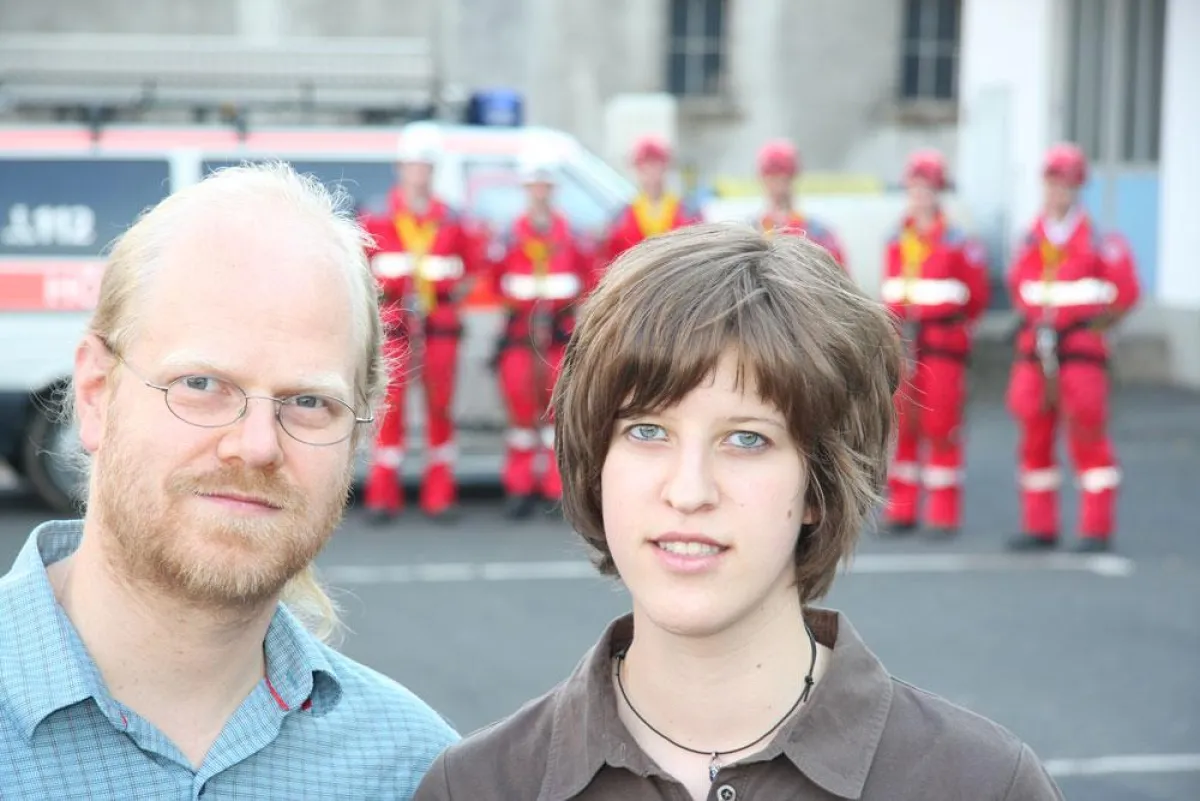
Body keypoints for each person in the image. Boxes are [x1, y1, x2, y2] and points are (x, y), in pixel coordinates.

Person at [413, 224, 1063, 800]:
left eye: (746, 438)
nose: (689, 490)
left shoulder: (980, 784)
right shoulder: (477, 786)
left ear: (819, 482)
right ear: (596, 461)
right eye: (646, 430)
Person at [0, 162, 458, 798]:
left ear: (359, 430)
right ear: (97, 393)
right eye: (202, 385)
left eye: (308, 402)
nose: (256, 446)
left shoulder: (417, 773)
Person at [1006, 142, 1140, 552]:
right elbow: (1018, 288)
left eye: (1063, 184)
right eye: (1050, 183)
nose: (1055, 192)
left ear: (1077, 188)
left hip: (1081, 355)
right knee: (1033, 437)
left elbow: (1127, 292)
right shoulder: (1031, 238)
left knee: (1087, 436)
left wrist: (1095, 328)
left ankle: (1096, 529)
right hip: (1036, 355)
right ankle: (1039, 526)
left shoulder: (1099, 241)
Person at [359, 122, 479, 522]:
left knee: (441, 410)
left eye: (426, 165)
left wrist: (454, 292)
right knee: (388, 411)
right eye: (413, 164)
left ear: (434, 170)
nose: (419, 172)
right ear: (401, 167)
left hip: (441, 327)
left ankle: (439, 495)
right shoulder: (378, 216)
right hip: (395, 327)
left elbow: (474, 269)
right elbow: (362, 269)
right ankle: (383, 496)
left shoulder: (452, 219)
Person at [881, 149, 990, 537]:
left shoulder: (958, 241)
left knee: (941, 426)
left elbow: (976, 298)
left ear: (938, 191)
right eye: (914, 188)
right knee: (902, 427)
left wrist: (953, 331)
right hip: (904, 348)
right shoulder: (897, 237)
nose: (919, 195)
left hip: (942, 348)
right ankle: (903, 509)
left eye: (926, 188)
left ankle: (942, 513)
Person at [490, 151, 589, 520]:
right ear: (526, 189)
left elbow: (589, 282)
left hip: (558, 340)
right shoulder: (509, 236)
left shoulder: (573, 236)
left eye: (546, 186)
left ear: (553, 190)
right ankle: (519, 487)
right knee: (520, 416)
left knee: (557, 414)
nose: (540, 193)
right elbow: (492, 281)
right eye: (534, 186)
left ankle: (554, 488)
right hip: (518, 339)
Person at [601, 135, 699, 264]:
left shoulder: (687, 212)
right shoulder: (621, 217)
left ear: (665, 167)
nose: (650, 172)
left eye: (655, 164)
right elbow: (610, 259)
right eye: (644, 166)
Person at [753, 138, 848, 269]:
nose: (778, 187)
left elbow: (840, 278)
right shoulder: (752, 232)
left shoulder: (819, 235)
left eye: (783, 178)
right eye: (773, 178)